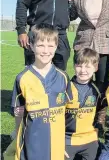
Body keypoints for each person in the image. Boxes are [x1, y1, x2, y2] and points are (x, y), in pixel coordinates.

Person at [10, 23, 72, 160]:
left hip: (56, 144)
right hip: (32, 144)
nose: (45, 51)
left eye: (50, 46)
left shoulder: (63, 77)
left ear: (56, 47)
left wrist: (64, 143)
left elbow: (67, 112)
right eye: (40, 45)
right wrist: (17, 135)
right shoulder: (22, 78)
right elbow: (19, 113)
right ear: (32, 46)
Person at [65, 48, 104, 160]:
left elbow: (102, 108)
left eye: (87, 66)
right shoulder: (65, 88)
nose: (83, 70)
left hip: (89, 140)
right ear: (74, 66)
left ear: (95, 68)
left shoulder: (98, 89)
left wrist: (98, 125)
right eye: (79, 65)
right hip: (67, 139)